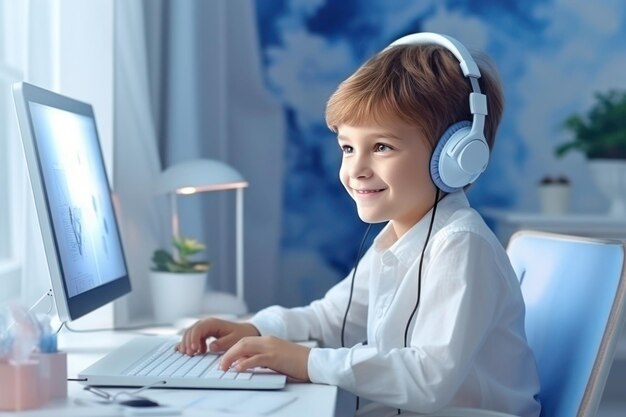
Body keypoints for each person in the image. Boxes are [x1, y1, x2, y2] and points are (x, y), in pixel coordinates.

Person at [177, 32, 541, 417]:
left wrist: (305, 362)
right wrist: (256, 329)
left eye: (381, 147)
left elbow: (429, 379)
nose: (356, 170)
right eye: (348, 148)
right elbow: (332, 319)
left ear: (456, 157)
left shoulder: (460, 244)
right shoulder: (397, 238)